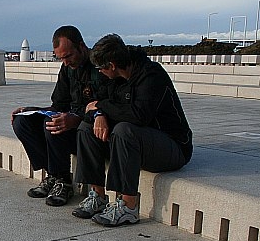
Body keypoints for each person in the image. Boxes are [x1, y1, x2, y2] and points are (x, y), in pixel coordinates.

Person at [72, 34, 193, 226]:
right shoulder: (114, 78)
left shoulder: (151, 75)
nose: (100, 73)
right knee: (86, 128)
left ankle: (128, 207)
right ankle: (98, 196)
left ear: (111, 65)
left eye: (101, 68)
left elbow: (139, 115)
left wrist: (102, 107)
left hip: (173, 147)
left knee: (124, 130)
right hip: (138, 146)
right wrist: (98, 115)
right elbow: (91, 107)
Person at [11, 25, 109, 206]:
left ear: (81, 46)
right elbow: (59, 105)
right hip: (73, 122)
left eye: (68, 56)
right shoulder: (67, 68)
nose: (65, 62)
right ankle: (53, 175)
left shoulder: (99, 66)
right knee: (22, 121)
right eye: (61, 58)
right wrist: (31, 109)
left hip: (91, 130)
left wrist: (76, 119)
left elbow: (105, 107)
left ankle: (63, 181)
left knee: (54, 124)